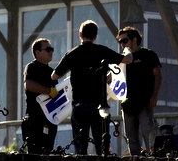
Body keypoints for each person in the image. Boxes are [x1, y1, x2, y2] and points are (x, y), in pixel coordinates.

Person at [51, 20, 134, 155]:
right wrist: (128, 51)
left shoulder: (73, 53)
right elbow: (127, 60)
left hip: (79, 105)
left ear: (80, 34)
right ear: (95, 36)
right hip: (99, 105)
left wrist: (70, 69)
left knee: (80, 149)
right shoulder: (101, 50)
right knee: (102, 147)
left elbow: (54, 76)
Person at [116, 26, 162, 155]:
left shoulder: (148, 55)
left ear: (134, 39)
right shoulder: (122, 59)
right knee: (131, 138)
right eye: (120, 41)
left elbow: (157, 75)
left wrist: (155, 96)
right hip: (128, 104)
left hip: (144, 102)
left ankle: (151, 157)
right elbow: (111, 79)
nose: (122, 44)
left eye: (124, 41)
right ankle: (135, 157)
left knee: (148, 133)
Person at [22, 38, 58, 154]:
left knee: (48, 152)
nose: (51, 52)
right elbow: (29, 84)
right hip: (35, 118)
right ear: (37, 52)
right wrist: (48, 91)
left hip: (49, 118)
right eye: (48, 49)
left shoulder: (52, 73)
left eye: (51, 49)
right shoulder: (32, 67)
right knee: (34, 153)